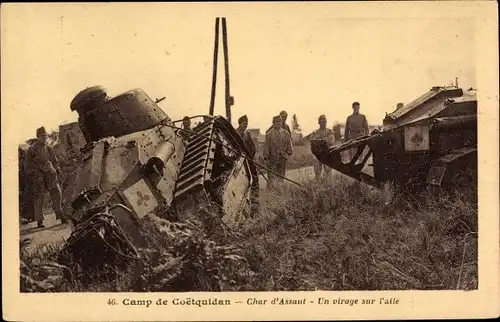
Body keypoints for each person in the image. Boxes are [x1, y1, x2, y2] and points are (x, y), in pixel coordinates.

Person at [24, 126, 67, 228]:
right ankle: (40, 220)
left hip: (50, 173)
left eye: (46, 136)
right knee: (39, 196)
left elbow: (55, 161)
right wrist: (35, 174)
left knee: (57, 192)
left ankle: (60, 215)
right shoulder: (31, 150)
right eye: (43, 136)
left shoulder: (49, 148)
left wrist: (56, 170)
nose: (45, 138)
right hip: (38, 175)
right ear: (38, 136)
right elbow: (27, 166)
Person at [263, 115, 293, 190]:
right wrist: (266, 158)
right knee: (271, 177)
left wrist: (287, 153)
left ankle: (279, 192)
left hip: (282, 159)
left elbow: (290, 147)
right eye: (275, 122)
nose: (277, 124)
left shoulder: (286, 134)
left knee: (281, 177)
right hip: (272, 159)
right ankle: (270, 193)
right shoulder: (269, 134)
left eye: (279, 122)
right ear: (273, 123)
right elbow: (266, 147)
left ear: (281, 122)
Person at [310, 115, 335, 180]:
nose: (324, 123)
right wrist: (323, 141)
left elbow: (331, 141)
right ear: (319, 122)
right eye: (322, 122)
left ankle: (327, 182)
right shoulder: (315, 132)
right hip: (318, 153)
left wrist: (320, 141)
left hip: (327, 152)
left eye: (325, 121)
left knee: (328, 170)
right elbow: (313, 142)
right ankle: (318, 181)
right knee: (317, 167)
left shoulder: (330, 131)